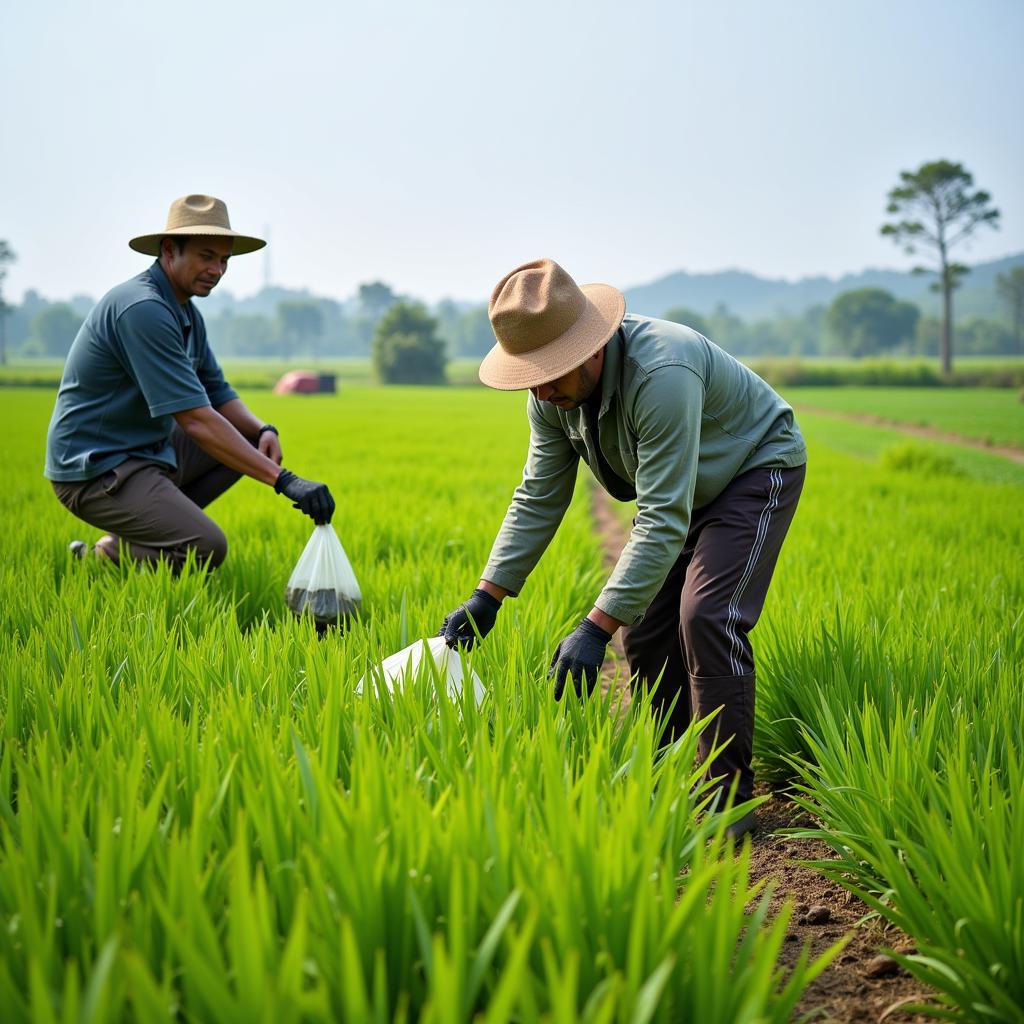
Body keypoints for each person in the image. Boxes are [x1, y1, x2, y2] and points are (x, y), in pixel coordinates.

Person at [438, 258, 806, 836]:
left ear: (591, 345)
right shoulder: (550, 397)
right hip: (682, 489)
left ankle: (728, 800)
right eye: (531, 373)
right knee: (649, 629)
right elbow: (539, 495)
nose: (542, 386)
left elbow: (661, 516)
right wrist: (487, 598)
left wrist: (592, 630)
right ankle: (670, 772)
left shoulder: (663, 371)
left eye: (552, 370)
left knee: (707, 616)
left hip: (751, 470)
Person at [45, 194, 334, 570]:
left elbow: (216, 391)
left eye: (224, 260)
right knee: (205, 546)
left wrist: (263, 428)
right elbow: (195, 418)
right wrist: (284, 481)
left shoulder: (185, 313)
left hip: (146, 453)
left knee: (247, 440)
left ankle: (139, 534)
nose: (217, 269)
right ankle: (104, 557)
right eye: (206, 255)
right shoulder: (143, 309)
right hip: (97, 468)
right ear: (169, 250)